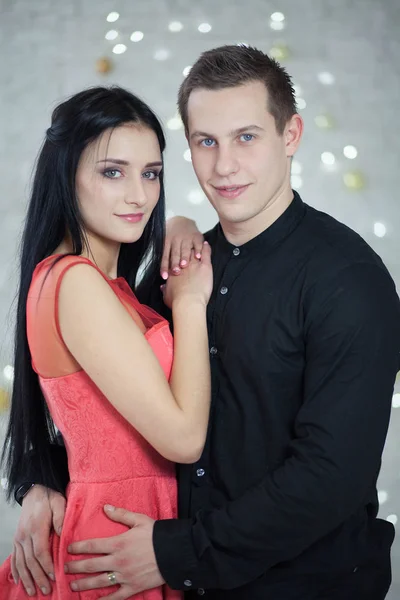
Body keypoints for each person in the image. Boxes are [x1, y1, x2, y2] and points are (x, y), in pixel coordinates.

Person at [7, 45, 400, 600]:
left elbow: (331, 476)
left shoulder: (349, 278)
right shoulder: (177, 274)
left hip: (305, 586)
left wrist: (176, 553)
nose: (224, 165)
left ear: (290, 136)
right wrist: (38, 482)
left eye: (247, 137)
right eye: (205, 141)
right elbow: (94, 403)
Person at [0, 85, 213, 599]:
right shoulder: (76, 282)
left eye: (151, 173)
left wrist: (180, 224)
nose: (138, 195)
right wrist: (189, 304)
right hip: (114, 538)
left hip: (137, 530)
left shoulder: (105, 286)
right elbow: (184, 439)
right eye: (111, 172)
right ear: (66, 174)